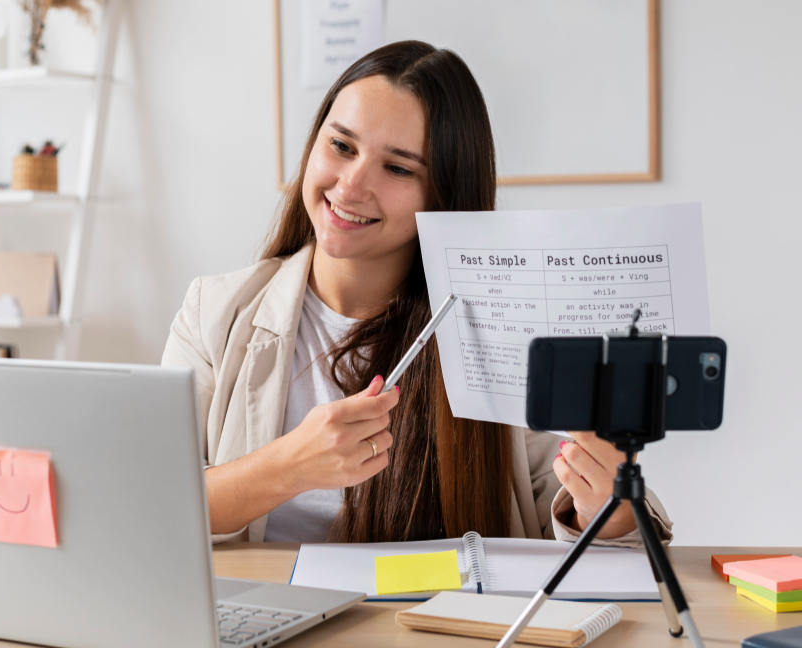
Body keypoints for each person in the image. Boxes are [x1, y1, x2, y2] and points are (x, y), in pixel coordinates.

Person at [162, 40, 671, 546]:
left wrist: (604, 505)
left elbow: (568, 513)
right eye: (341, 146)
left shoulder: (490, 332)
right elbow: (149, 500)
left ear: (445, 195)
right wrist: (289, 466)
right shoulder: (214, 312)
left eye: (399, 168)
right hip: (260, 600)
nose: (351, 185)